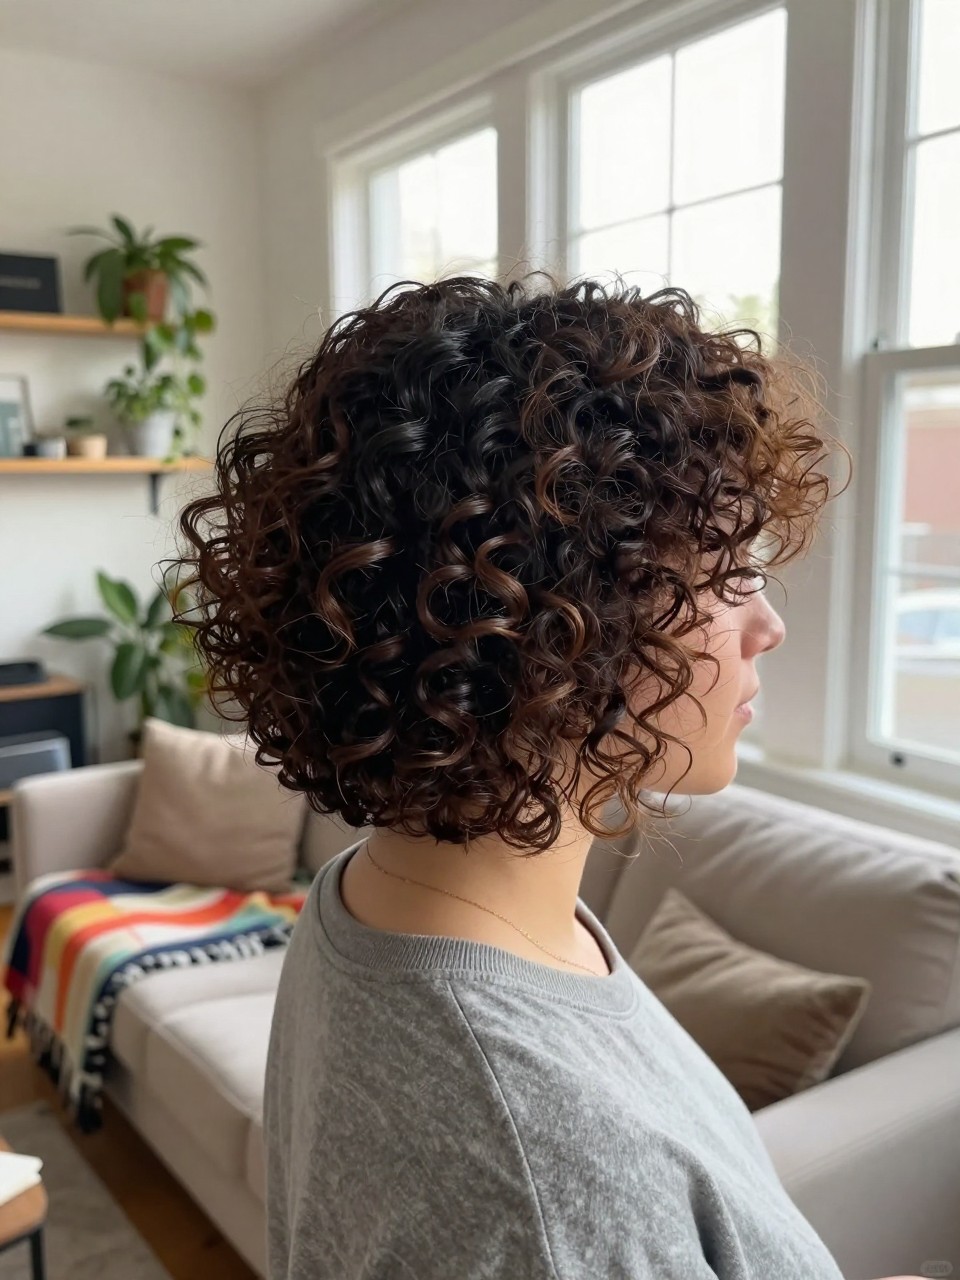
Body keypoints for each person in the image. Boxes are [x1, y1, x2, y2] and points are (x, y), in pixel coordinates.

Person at [171, 277, 914, 1280]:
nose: (767, 627)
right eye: (730, 577)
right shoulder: (552, 1186)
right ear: (567, 621)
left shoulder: (375, 894)